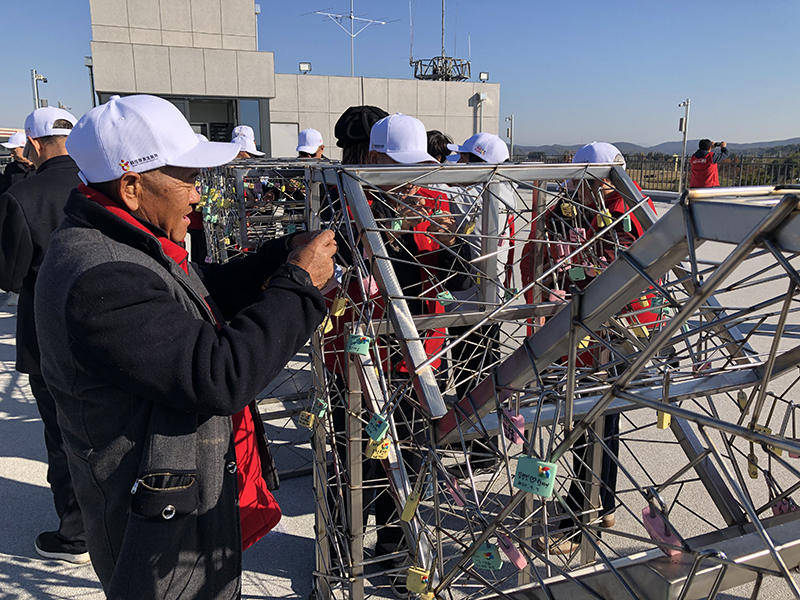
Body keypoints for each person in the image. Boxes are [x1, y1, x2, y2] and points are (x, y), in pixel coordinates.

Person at [35, 94, 336, 599]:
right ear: (132, 186)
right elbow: (218, 377)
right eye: (189, 178)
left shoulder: (124, 239)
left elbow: (198, 292)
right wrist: (299, 286)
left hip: (175, 500)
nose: (198, 195)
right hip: (156, 531)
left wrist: (279, 258)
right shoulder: (100, 274)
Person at [520, 142, 657, 555]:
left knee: (592, 423)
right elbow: (534, 260)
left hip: (612, 333)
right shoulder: (571, 210)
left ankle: (585, 515)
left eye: (593, 182)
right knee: (592, 421)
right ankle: (599, 504)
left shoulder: (629, 211)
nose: (586, 189)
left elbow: (636, 272)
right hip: (583, 331)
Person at [0, 107, 88, 563]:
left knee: (61, 433)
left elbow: (10, 277)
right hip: (112, 318)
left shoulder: (22, 194)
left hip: (46, 330)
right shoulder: (101, 182)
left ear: (33, 144)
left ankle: (75, 534)